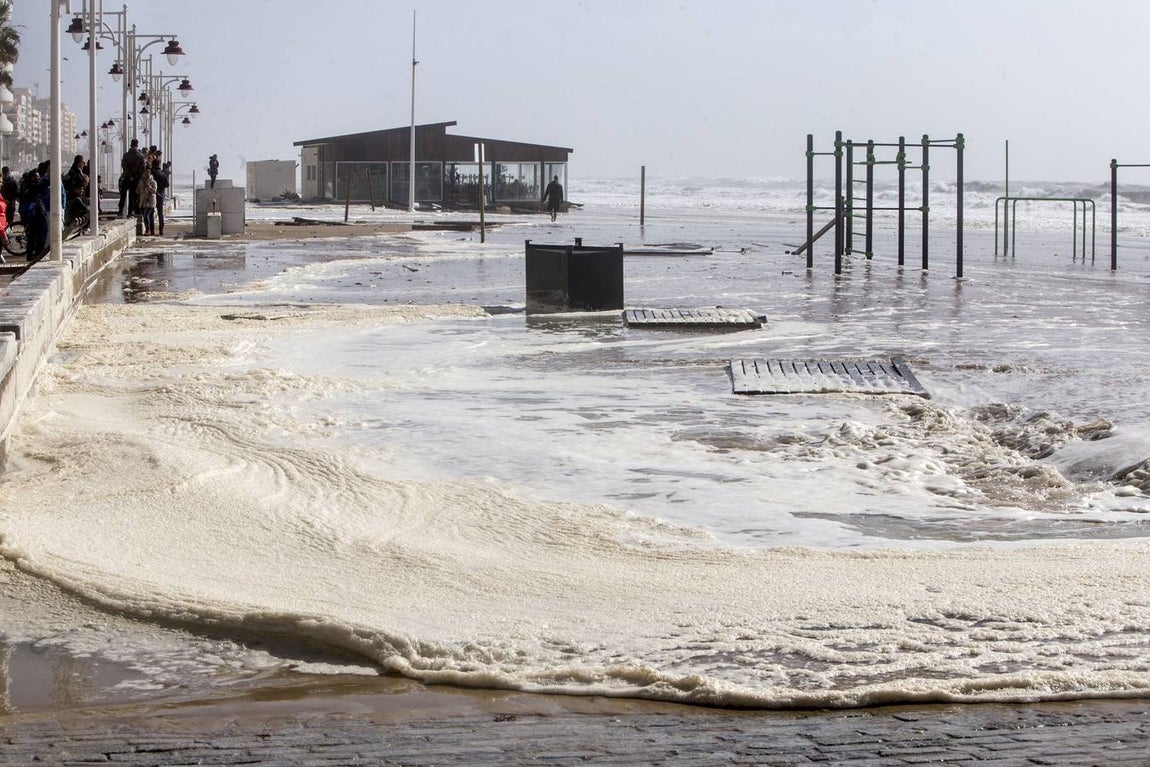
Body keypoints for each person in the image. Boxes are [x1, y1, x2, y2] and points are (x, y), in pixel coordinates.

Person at [120, 138, 147, 216]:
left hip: (127, 177)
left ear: (131, 145)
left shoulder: (126, 155)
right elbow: (143, 168)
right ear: (137, 145)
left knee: (123, 195)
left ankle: (120, 210)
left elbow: (124, 166)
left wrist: (129, 175)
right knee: (133, 195)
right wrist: (136, 175)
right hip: (136, 179)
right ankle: (131, 211)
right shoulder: (140, 156)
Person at [63, 154, 89, 233]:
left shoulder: (79, 171)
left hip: (79, 196)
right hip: (74, 197)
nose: (84, 164)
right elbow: (74, 184)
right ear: (79, 162)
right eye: (82, 162)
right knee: (86, 211)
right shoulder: (74, 172)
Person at [137, 166, 158, 236]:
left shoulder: (153, 182)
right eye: (145, 174)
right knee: (149, 217)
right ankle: (151, 230)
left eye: (147, 174)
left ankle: (148, 230)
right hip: (143, 201)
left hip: (150, 201)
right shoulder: (141, 181)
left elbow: (154, 191)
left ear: (149, 174)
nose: (146, 175)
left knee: (147, 216)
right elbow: (138, 190)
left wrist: (148, 187)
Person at [151, 160, 169, 236]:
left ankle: (151, 230)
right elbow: (167, 185)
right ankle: (161, 230)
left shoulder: (152, 175)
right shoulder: (163, 174)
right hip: (161, 195)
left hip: (152, 195)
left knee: (150, 213)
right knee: (160, 213)